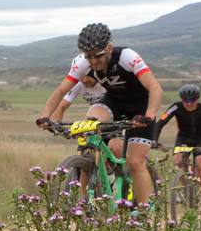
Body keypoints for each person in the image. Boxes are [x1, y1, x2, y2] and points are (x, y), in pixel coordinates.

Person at [37, 23, 163, 205]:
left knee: (136, 162)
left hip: (141, 107)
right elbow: (60, 91)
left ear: (109, 48)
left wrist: (149, 116)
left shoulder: (126, 57)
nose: (94, 62)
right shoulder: (82, 63)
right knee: (90, 123)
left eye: (98, 56)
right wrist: (46, 116)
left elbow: (155, 87)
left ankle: (144, 216)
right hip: (114, 102)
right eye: (89, 57)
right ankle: (96, 170)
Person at [155, 83, 201, 206]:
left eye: (192, 100)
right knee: (178, 161)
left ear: (197, 99)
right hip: (183, 139)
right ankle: (181, 188)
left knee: (200, 162)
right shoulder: (175, 107)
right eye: (185, 100)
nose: (189, 103)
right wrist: (154, 140)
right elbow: (160, 123)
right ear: (182, 99)